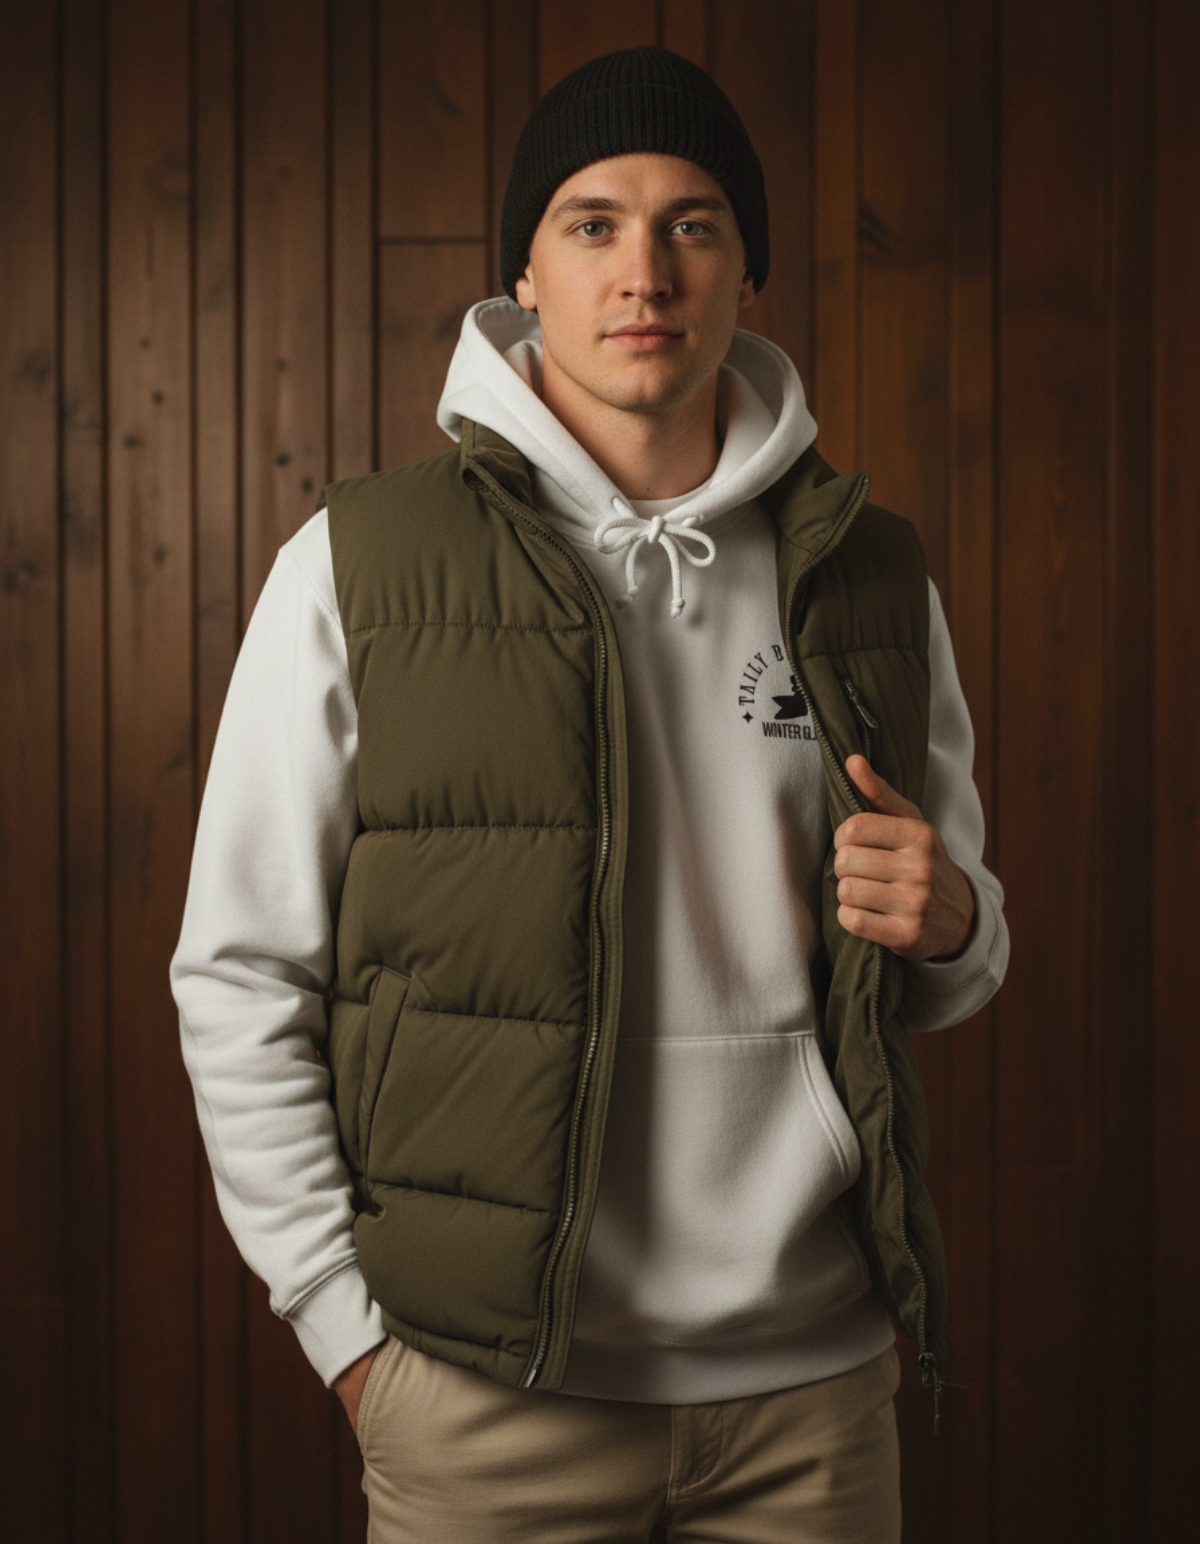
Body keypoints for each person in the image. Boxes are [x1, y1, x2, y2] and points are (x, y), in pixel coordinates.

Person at [172, 45, 1007, 1542]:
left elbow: (950, 957)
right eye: (593, 222)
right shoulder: (359, 565)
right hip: (491, 1402)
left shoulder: (871, 572)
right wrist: (345, 1333)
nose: (646, 271)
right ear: (524, 277)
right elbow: (239, 972)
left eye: (693, 224)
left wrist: (954, 925)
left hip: (810, 1399)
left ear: (746, 273)